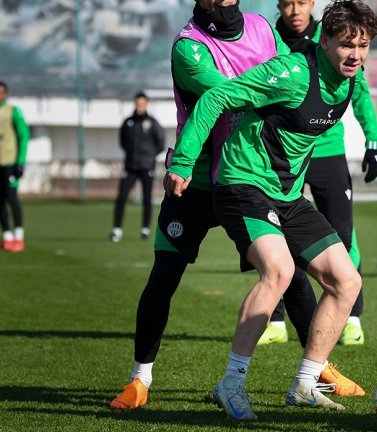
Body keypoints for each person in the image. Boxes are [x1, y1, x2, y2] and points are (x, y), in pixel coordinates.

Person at [109, 0, 362, 411]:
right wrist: (283, 81)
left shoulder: (262, 27)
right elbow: (229, 94)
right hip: (199, 181)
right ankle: (140, 378)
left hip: (256, 176)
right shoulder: (189, 47)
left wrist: (303, 75)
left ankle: (315, 371)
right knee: (165, 277)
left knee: (294, 276)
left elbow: (292, 75)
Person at [258, 0, 377, 348]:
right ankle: (277, 320)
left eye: (301, 2)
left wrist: (373, 139)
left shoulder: (339, 37)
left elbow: (360, 91)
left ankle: (352, 317)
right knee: (276, 238)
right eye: (287, 3)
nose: (294, 10)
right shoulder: (269, 40)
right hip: (284, 154)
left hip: (327, 151)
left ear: (312, 5)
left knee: (342, 232)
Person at [109, 92, 165, 243]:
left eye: (142, 104)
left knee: (147, 198)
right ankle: (116, 230)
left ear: (146, 104)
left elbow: (160, 144)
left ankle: (145, 230)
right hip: (131, 166)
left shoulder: (153, 123)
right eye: (138, 103)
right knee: (121, 197)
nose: (140, 106)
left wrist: (149, 156)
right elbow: (123, 142)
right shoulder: (128, 123)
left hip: (147, 166)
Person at [0, 81, 29, 253]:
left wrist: (21, 162)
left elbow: (23, 136)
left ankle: (19, 237)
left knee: (12, 198)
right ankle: (7, 237)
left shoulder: (13, 112)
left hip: (10, 163)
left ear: (5, 94)